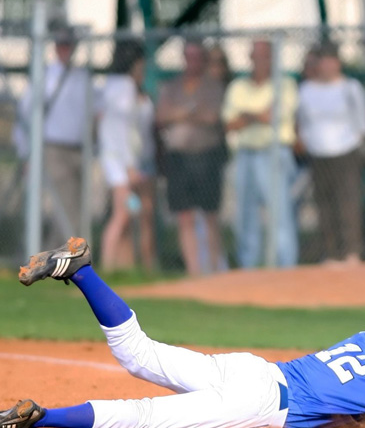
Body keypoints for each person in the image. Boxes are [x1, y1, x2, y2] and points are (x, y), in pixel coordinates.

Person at [0, 238, 365, 428]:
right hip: (259, 402)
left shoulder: (364, 341)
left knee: (137, 353)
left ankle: (83, 270)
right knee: (139, 415)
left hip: (251, 369)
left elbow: (359, 402)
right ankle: (40, 418)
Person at [222, 39, 299, 269]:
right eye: (256, 55)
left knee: (279, 214)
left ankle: (285, 268)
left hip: (274, 153)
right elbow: (230, 124)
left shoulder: (284, 84)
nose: (260, 60)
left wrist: (246, 116)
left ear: (273, 59)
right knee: (245, 215)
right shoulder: (238, 87)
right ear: (250, 58)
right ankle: (248, 268)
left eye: (265, 55)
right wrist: (257, 115)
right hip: (245, 154)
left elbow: (273, 116)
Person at [14, 24, 91, 247]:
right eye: (61, 44)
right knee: (65, 208)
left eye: (69, 44)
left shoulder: (82, 76)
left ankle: (58, 256)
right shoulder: (45, 77)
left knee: (75, 206)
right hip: (53, 149)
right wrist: (25, 152)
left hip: (79, 149)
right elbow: (24, 115)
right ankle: (59, 257)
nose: (65, 49)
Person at [155, 40, 227, 276]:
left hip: (206, 157)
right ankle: (195, 272)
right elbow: (162, 116)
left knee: (210, 215)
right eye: (189, 56)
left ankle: (215, 270)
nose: (192, 61)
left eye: (197, 57)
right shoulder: (172, 85)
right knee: (184, 215)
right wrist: (191, 111)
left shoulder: (213, 86)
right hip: (178, 160)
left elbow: (212, 117)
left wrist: (180, 113)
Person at [296, 43, 365, 266]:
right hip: (318, 154)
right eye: (323, 61)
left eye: (331, 60)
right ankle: (331, 254)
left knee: (347, 202)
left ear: (338, 63)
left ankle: (351, 252)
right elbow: (301, 123)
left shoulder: (351, 88)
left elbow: (363, 124)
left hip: (346, 152)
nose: (327, 65)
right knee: (324, 204)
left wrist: (355, 144)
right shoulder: (306, 89)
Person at [97, 39, 156, 272]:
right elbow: (123, 131)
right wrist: (130, 166)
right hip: (120, 163)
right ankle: (108, 267)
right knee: (122, 215)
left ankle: (124, 267)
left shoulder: (111, 86)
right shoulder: (124, 88)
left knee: (132, 212)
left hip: (118, 160)